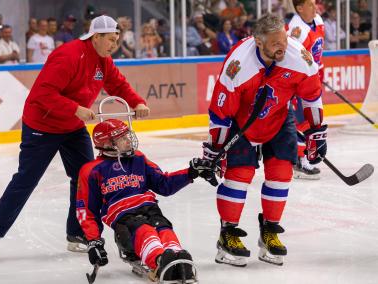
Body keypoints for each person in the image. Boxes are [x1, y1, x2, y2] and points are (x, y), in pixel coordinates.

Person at [0, 15, 150, 261]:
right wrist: (75, 108)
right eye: (111, 40)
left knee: (84, 178)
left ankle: (76, 233)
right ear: (96, 37)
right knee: (27, 179)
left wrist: (137, 102)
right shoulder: (68, 55)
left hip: (71, 127)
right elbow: (42, 93)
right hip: (42, 125)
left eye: (116, 40)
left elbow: (118, 84)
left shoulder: (104, 60)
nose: (114, 45)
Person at [203, 13, 327, 266]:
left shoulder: (297, 56)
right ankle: (227, 235)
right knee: (239, 176)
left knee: (281, 173)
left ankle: (270, 230)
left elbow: (312, 94)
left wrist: (316, 130)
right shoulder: (238, 63)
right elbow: (220, 109)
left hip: (280, 118)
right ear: (258, 42)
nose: (283, 46)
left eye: (283, 39)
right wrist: (216, 147)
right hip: (241, 124)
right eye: (275, 43)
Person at [77, 119, 216, 282]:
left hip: (149, 208)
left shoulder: (138, 158)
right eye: (122, 138)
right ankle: (159, 261)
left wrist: (191, 172)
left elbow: (163, 184)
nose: (129, 140)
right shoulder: (92, 170)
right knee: (144, 230)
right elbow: (86, 210)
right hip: (124, 217)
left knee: (163, 228)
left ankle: (178, 259)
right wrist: (94, 241)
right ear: (108, 144)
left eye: (127, 136)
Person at [286, 0, 325, 179]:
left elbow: (317, 54)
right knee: (302, 122)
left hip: (312, 79)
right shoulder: (296, 30)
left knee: (310, 120)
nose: (314, 7)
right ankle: (301, 161)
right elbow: (290, 60)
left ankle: (302, 156)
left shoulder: (318, 20)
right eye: (310, 4)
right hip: (299, 82)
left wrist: (318, 74)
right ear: (300, 8)